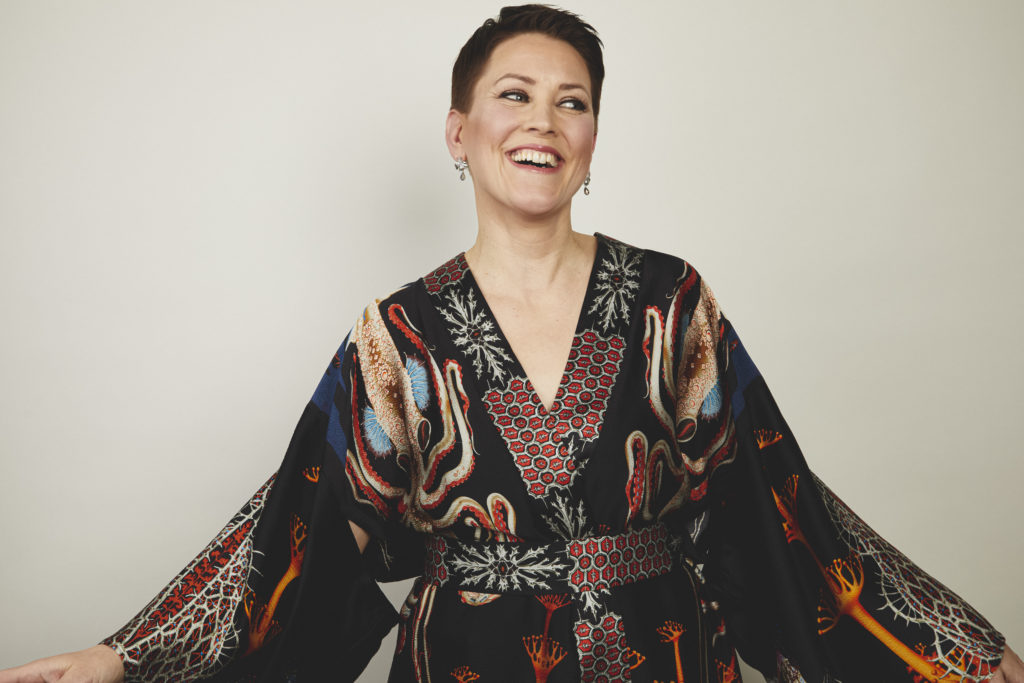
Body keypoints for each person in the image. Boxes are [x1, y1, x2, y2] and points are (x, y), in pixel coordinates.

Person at [1, 4, 1021, 682]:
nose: (545, 121)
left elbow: (775, 506)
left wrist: (954, 656)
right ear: (460, 131)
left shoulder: (669, 300)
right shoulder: (400, 332)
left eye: (573, 102)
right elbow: (301, 524)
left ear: (592, 139)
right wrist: (130, 654)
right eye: (515, 95)